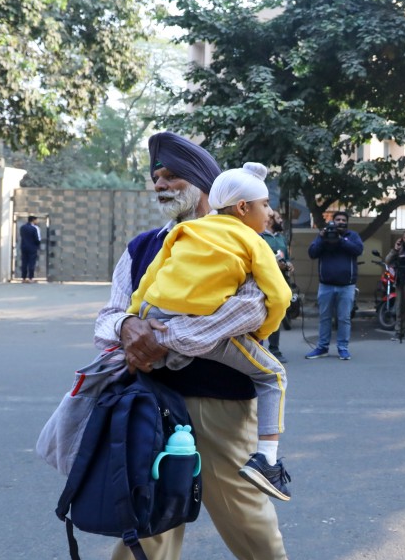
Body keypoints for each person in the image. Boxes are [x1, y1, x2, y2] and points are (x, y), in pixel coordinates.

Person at [92, 131, 295, 560]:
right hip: (148, 400)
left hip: (221, 396)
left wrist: (168, 336)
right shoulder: (143, 246)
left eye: (171, 176)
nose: (161, 185)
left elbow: (256, 306)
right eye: (156, 178)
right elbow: (108, 316)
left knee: (236, 500)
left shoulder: (239, 237)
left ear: (204, 182)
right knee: (147, 510)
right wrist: (127, 326)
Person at [126, 161, 294, 502]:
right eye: (265, 205)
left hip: (155, 314)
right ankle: (267, 461)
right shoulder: (254, 241)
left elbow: (151, 278)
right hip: (199, 326)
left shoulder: (186, 231)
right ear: (244, 207)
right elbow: (279, 296)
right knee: (273, 375)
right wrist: (263, 331)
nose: (269, 213)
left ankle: (170, 355)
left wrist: (135, 315)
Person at [305, 211, 363, 360]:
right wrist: (322, 238)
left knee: (344, 318)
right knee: (325, 318)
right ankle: (322, 347)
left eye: (344, 220)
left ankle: (343, 348)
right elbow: (312, 253)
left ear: (347, 222)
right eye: (338, 220)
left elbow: (358, 250)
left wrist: (340, 240)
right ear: (333, 221)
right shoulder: (323, 235)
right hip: (326, 285)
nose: (340, 222)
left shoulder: (352, 236)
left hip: (347, 286)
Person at [260, 209, 294, 362]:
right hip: (262, 283)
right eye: (279, 218)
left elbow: (285, 258)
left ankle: (275, 349)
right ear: (271, 219)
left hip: (280, 283)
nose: (281, 221)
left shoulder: (281, 238)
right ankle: (256, 350)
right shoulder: (259, 236)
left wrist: (288, 264)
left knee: (277, 316)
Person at [19, 215, 40, 282]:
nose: (37, 221)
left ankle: (23, 278)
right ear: (33, 220)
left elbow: (21, 236)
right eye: (36, 220)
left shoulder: (22, 227)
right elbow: (36, 239)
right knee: (31, 262)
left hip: (24, 247)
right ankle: (31, 278)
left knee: (24, 262)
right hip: (32, 247)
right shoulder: (34, 228)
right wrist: (37, 245)